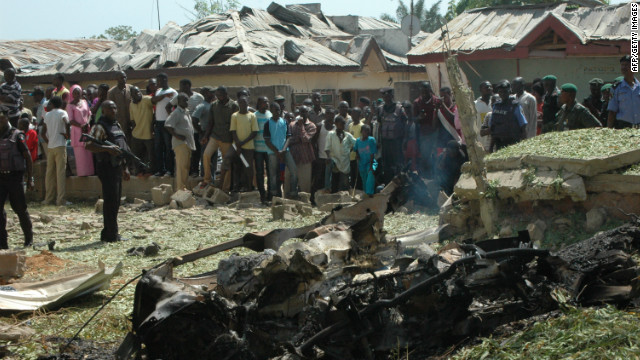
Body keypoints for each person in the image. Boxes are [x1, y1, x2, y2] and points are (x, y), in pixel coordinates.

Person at [85, 101, 130, 243]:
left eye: (115, 108)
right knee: (110, 201)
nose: (114, 111)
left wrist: (125, 167)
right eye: (110, 109)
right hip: (106, 167)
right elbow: (89, 145)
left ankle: (111, 233)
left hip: (117, 166)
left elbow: (122, 147)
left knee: (115, 201)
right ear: (103, 111)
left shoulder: (117, 125)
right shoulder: (100, 126)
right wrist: (106, 149)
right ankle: (110, 235)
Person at [0, 112, 34, 249]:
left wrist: (30, 178)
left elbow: (28, 157)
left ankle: (28, 239)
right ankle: (3, 243)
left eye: (1, 118)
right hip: (0, 178)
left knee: (20, 209)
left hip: (15, 178)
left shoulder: (17, 135)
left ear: (7, 118)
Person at [202, 86, 238, 192]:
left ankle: (225, 187)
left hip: (227, 138)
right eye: (217, 95)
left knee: (226, 162)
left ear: (226, 94)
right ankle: (207, 179)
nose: (218, 97)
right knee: (206, 155)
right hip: (215, 136)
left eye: (220, 95)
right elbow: (210, 122)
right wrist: (205, 136)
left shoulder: (233, 106)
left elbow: (235, 124)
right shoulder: (214, 105)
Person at [168, 79, 204, 176]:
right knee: (185, 152)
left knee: (195, 151)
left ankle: (195, 170)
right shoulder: (179, 97)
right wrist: (174, 118)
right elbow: (168, 106)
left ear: (188, 85)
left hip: (195, 129)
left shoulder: (199, 97)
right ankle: (186, 172)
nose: (180, 89)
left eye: (182, 86)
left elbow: (203, 110)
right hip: (183, 129)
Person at [264, 102, 297, 199]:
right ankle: (274, 194)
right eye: (275, 110)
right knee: (273, 174)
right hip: (273, 152)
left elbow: (289, 137)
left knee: (294, 171)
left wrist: (282, 150)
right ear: (271, 111)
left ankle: (293, 193)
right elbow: (267, 140)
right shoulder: (268, 123)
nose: (277, 112)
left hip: (285, 151)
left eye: (278, 110)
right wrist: (277, 152)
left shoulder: (284, 122)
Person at [41, 96, 70, 205]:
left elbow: (43, 132)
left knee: (49, 173)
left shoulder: (47, 115)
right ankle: (60, 199)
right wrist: (67, 134)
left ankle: (48, 199)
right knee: (60, 173)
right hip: (61, 145)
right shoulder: (62, 112)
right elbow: (67, 122)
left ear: (52, 104)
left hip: (51, 146)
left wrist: (48, 141)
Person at [165, 93, 196, 191]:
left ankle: (183, 188)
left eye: (187, 100)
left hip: (187, 144)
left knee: (185, 167)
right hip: (180, 144)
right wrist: (177, 136)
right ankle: (180, 189)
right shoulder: (177, 112)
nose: (186, 102)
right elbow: (168, 125)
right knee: (181, 167)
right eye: (184, 100)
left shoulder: (185, 112)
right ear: (178, 102)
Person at [228, 96, 258, 192]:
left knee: (248, 167)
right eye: (240, 103)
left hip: (248, 146)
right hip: (236, 146)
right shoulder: (234, 116)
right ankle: (235, 187)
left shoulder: (252, 115)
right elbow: (233, 131)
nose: (242, 104)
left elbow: (254, 132)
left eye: (244, 102)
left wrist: (242, 143)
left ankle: (249, 187)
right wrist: (238, 144)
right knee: (235, 165)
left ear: (247, 103)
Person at [151, 73, 178, 176]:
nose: (158, 83)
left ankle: (169, 170)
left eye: (159, 81)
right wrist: (164, 95)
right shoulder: (159, 91)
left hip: (167, 122)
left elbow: (175, 107)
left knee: (168, 147)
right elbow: (153, 100)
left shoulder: (173, 92)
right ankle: (160, 169)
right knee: (158, 147)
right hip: (158, 122)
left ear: (165, 80)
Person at [378, 87, 406, 183]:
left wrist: (404, 142)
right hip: (385, 142)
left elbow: (404, 125)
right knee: (386, 166)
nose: (385, 97)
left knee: (398, 165)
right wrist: (379, 140)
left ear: (392, 96)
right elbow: (380, 126)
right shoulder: (381, 109)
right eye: (383, 95)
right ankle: (387, 185)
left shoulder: (399, 108)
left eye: (387, 95)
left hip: (396, 142)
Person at [489, 80, 527, 150]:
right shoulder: (496, 106)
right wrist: (491, 146)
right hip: (499, 143)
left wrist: (525, 145)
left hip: (512, 144)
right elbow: (493, 127)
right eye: (500, 92)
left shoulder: (515, 106)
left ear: (509, 92)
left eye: (505, 91)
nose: (503, 94)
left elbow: (523, 126)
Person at [66, 85, 94, 176]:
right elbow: (71, 120)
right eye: (75, 93)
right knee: (80, 153)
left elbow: (89, 114)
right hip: (77, 131)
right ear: (72, 94)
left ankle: (90, 172)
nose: (77, 95)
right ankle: (82, 173)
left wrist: (87, 123)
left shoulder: (85, 102)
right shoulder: (70, 106)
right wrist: (81, 126)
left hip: (87, 129)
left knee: (88, 151)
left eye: (78, 93)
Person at [288, 105, 316, 194]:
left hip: (305, 157)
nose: (303, 114)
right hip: (293, 156)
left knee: (305, 183)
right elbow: (288, 139)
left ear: (308, 113)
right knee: (289, 180)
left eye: (305, 112)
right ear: (299, 113)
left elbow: (305, 139)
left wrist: (301, 127)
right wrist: (297, 139)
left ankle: (305, 202)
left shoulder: (312, 126)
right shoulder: (292, 124)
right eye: (301, 112)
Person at [413, 81, 439, 176]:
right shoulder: (417, 102)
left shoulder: (436, 101)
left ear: (430, 91)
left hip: (435, 131)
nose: (424, 94)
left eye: (426, 91)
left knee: (435, 153)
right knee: (425, 154)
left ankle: (435, 174)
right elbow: (414, 119)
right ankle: (425, 174)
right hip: (423, 133)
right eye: (423, 91)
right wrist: (419, 117)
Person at [607, 55, 640, 128]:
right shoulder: (616, 88)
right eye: (622, 65)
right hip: (623, 127)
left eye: (626, 65)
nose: (623, 68)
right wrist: (608, 129)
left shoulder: (639, 87)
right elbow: (612, 111)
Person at [325, 115, 355, 193]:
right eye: (340, 124)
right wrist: (328, 157)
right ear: (335, 124)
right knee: (335, 180)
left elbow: (356, 143)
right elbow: (327, 147)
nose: (342, 126)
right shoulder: (331, 134)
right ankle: (330, 190)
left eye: (343, 124)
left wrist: (351, 150)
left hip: (345, 161)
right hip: (335, 160)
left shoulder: (347, 135)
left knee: (345, 183)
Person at [129, 86, 155, 176]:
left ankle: (149, 171)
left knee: (150, 155)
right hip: (136, 134)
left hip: (148, 134)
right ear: (131, 95)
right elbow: (132, 120)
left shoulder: (146, 99)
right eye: (135, 93)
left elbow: (155, 102)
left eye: (139, 91)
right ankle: (139, 171)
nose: (138, 93)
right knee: (136, 155)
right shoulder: (131, 104)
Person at [192, 86, 215, 180]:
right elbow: (194, 120)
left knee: (212, 157)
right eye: (211, 92)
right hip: (205, 134)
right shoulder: (202, 106)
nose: (213, 94)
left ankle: (211, 177)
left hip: (212, 134)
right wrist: (201, 132)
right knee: (205, 157)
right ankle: (204, 176)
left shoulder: (211, 105)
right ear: (206, 94)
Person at [254, 96, 271, 201]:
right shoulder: (254, 116)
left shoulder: (270, 114)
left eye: (267, 102)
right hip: (258, 149)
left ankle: (269, 193)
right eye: (265, 102)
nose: (267, 104)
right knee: (260, 172)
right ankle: (261, 193)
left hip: (269, 148)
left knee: (270, 171)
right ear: (259, 103)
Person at [314, 107, 335, 193]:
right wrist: (316, 155)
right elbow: (314, 141)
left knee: (330, 180)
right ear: (325, 115)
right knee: (319, 179)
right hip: (321, 157)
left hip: (332, 158)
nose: (330, 116)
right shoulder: (319, 126)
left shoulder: (336, 127)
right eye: (328, 113)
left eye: (332, 114)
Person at [354, 124, 377, 196]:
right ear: (361, 131)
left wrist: (371, 166)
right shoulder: (358, 140)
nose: (367, 133)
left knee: (370, 174)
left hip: (370, 162)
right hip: (361, 163)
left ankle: (369, 193)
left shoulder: (371, 140)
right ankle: (365, 194)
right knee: (364, 180)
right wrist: (357, 155)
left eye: (368, 132)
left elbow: (372, 153)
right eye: (365, 131)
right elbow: (356, 149)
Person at [348, 107, 363, 188]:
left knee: (359, 176)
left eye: (355, 113)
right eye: (352, 113)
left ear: (359, 115)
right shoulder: (350, 125)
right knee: (352, 176)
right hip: (351, 155)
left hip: (359, 156)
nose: (353, 115)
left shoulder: (362, 126)